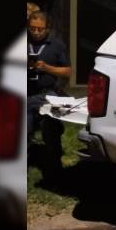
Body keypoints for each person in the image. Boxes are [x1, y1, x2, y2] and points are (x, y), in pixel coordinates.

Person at [26, 11, 71, 176]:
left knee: (50, 126)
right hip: (26, 94)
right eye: (32, 28)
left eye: (40, 29)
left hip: (46, 94)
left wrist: (47, 68)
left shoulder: (57, 45)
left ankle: (55, 165)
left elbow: (67, 72)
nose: (36, 32)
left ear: (47, 28)